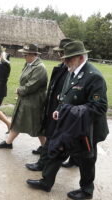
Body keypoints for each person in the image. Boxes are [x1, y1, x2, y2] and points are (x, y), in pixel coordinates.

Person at [26, 41, 109, 200]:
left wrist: (68, 112)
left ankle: (86, 191)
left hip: (87, 129)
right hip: (69, 125)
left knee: (86, 159)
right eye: (65, 58)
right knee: (56, 151)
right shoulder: (71, 71)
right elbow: (65, 98)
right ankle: (46, 182)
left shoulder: (94, 77)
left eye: (69, 58)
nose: (65, 61)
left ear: (80, 57)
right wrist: (59, 110)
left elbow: (99, 107)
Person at [25, 38, 74, 171]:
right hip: (53, 107)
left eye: (61, 53)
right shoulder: (60, 68)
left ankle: (43, 164)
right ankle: (72, 159)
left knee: (55, 138)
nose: (59, 56)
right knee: (51, 135)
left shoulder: (72, 71)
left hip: (62, 110)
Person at [0, 44, 47, 149]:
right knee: (17, 121)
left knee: (37, 126)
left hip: (34, 102)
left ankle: (45, 148)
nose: (24, 56)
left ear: (33, 54)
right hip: (25, 100)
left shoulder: (39, 68)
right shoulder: (29, 64)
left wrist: (19, 90)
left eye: (26, 54)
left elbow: (31, 85)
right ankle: (8, 143)